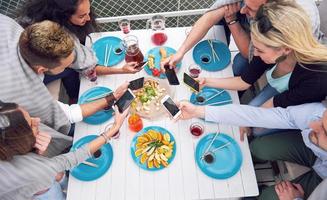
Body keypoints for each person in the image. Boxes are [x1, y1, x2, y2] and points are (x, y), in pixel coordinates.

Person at [0, 14, 127, 155]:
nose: (69, 66)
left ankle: (73, 95)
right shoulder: (26, 92)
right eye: (65, 65)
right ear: (42, 70)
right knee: (70, 131)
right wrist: (111, 97)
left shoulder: (20, 30)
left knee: (69, 72)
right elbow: (66, 115)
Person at [177, 100, 326, 200]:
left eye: (324, 131)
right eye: (322, 120)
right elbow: (257, 115)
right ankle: (253, 165)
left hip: (322, 181)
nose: (313, 125)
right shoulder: (316, 114)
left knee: (268, 196)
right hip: (316, 153)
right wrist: (198, 111)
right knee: (258, 147)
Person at [0, 101, 129, 200]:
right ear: (20, 140)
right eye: (31, 123)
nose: (37, 120)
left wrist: (35, 152)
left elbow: (53, 168)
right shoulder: (30, 172)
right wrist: (114, 128)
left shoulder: (8, 144)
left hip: (38, 175)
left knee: (58, 175)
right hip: (40, 192)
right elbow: (70, 159)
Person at [17, 0, 142, 102]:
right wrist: (122, 71)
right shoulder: (65, 38)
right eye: (82, 16)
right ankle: (75, 98)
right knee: (70, 71)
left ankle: (73, 97)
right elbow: (88, 67)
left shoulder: (36, 17)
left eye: (88, 12)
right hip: (32, 76)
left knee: (70, 71)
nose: (88, 18)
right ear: (63, 16)